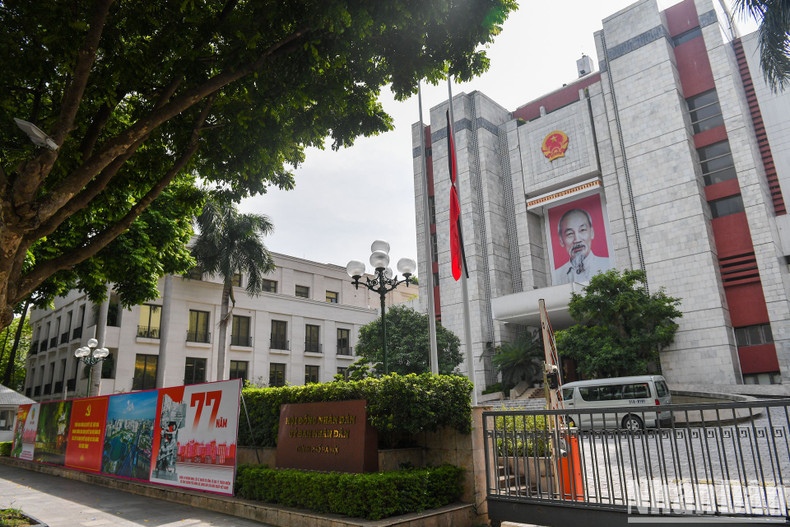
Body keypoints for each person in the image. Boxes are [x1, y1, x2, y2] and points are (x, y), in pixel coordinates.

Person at [552, 208, 611, 284]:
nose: (577, 239)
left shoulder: (609, 265)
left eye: (582, 230)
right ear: (561, 240)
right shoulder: (556, 277)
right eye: (570, 234)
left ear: (592, 232)